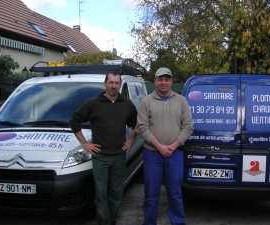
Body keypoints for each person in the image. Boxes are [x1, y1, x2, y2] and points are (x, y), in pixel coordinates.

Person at [70, 71, 137, 225]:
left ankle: (112, 220)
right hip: (100, 157)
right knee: (101, 194)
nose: (114, 86)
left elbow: (137, 123)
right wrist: (84, 144)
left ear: (120, 84)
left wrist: (130, 141)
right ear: (105, 84)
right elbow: (74, 121)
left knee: (116, 194)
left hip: (119, 156)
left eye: (117, 83)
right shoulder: (93, 103)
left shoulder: (127, 104)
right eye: (111, 82)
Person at [136, 67, 194, 225]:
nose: (163, 82)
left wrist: (173, 145)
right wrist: (159, 146)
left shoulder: (181, 101)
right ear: (155, 81)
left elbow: (188, 127)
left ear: (171, 81)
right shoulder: (146, 101)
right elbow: (142, 127)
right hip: (152, 155)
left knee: (175, 193)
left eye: (166, 79)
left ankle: (178, 222)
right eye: (160, 79)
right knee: (151, 193)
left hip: (175, 154)